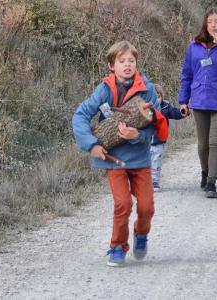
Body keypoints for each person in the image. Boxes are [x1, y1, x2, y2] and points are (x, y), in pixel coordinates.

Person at [72, 40, 167, 267]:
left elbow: (156, 123)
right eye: (121, 61)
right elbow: (80, 116)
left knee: (146, 207)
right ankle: (117, 247)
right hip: (114, 160)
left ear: (137, 64)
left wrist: (137, 136)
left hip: (140, 158)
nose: (127, 65)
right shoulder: (104, 89)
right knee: (123, 204)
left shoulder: (148, 90)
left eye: (131, 61)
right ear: (111, 66)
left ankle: (141, 234)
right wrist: (91, 145)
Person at [178, 8, 217, 199]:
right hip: (199, 100)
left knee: (215, 142)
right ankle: (205, 173)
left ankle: (212, 182)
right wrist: (183, 100)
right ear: (205, 24)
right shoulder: (194, 46)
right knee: (202, 144)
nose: (214, 25)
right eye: (210, 21)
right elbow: (187, 74)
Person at [149, 85, 186, 191]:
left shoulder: (165, 107)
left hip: (159, 140)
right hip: (145, 142)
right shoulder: (145, 108)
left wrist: (182, 112)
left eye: (158, 97)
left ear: (162, 96)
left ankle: (154, 181)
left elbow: (174, 113)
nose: (156, 100)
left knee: (156, 162)